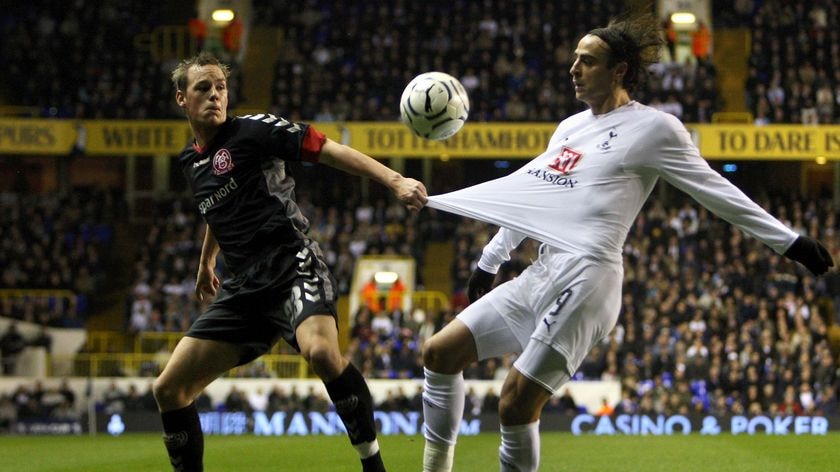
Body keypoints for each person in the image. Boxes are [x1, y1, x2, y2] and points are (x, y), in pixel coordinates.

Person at [421, 11, 834, 472]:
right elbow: (533, 198)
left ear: (619, 70)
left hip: (590, 277)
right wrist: (489, 260)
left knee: (515, 402)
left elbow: (716, 190)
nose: (574, 68)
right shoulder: (569, 128)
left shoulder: (655, 129)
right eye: (575, 59)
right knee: (439, 352)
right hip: (543, 271)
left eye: (588, 61)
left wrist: (789, 242)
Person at [153, 52, 427, 472]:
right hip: (243, 288)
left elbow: (329, 149)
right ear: (181, 100)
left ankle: (373, 465)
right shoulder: (191, 162)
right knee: (169, 389)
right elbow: (216, 209)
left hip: (291, 262)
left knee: (321, 354)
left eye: (220, 87)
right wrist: (207, 260)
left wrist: (394, 180)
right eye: (202, 88)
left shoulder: (254, 131)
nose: (214, 95)